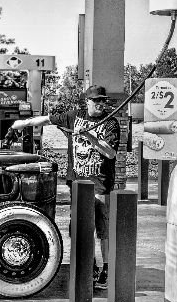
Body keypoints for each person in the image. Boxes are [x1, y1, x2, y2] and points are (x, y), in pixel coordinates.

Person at [11, 85, 120, 289]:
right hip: (78, 184)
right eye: (96, 100)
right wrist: (22, 123)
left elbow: (111, 153)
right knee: (79, 228)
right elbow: (47, 119)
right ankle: (90, 267)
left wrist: (89, 136)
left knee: (103, 229)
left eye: (103, 100)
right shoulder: (73, 116)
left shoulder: (111, 122)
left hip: (100, 184)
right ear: (86, 101)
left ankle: (107, 268)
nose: (100, 104)